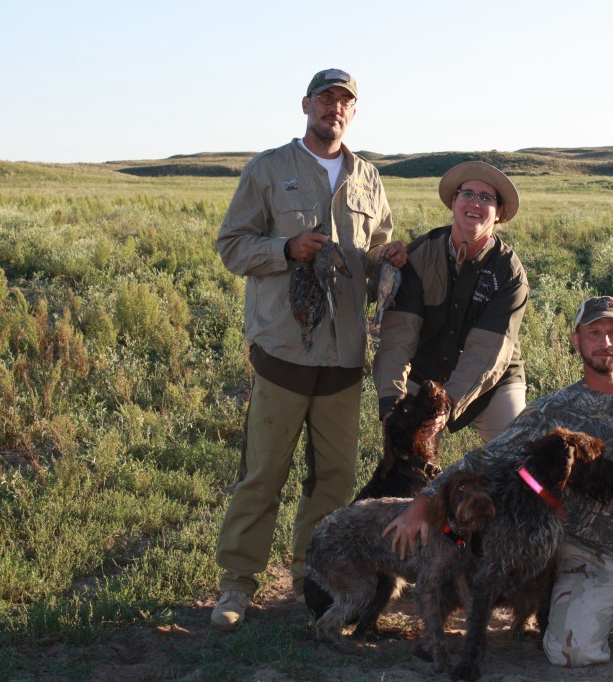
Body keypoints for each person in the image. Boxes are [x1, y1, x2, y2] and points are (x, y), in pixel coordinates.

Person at [384, 296, 613, 665]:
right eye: (594, 333)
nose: (605, 342)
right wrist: (422, 501)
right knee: (571, 654)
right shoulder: (551, 411)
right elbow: (481, 460)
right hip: (590, 558)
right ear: (576, 340)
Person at [212, 68, 406, 630]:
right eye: (326, 98)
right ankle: (236, 585)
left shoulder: (368, 177)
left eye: (345, 101)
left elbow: (373, 250)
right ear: (306, 105)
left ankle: (313, 580)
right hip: (283, 354)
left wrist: (388, 257)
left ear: (352, 112)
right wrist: (286, 248)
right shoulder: (269, 169)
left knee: (334, 481)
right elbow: (232, 247)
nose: (334, 108)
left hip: (345, 358)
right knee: (262, 475)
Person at [373, 161, 528, 443]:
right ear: (454, 202)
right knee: (404, 451)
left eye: (486, 197)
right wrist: (392, 400)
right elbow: (398, 336)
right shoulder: (420, 254)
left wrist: (447, 404)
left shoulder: (508, 272)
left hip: (492, 381)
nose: (475, 203)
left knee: (515, 451)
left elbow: (488, 351)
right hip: (423, 375)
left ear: (499, 213)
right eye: (467, 193)